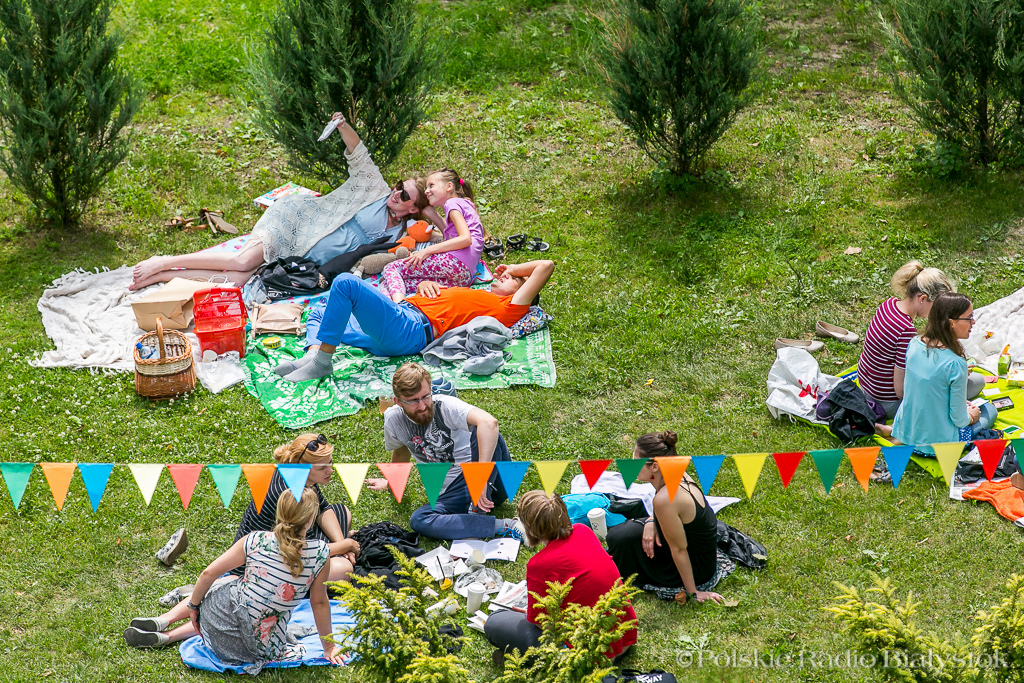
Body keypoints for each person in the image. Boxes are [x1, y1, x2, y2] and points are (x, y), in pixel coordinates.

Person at [129, 111, 442, 291]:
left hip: (304, 259)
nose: (395, 192)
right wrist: (343, 126)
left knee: (238, 280)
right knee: (242, 262)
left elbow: (447, 235)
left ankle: (164, 276)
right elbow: (358, 154)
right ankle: (164, 261)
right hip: (297, 223)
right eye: (398, 186)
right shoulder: (375, 188)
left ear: (413, 209)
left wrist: (430, 209)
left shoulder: (404, 233)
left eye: (404, 195)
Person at [123, 488, 344, 673]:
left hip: (219, 632)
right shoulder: (321, 553)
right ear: (310, 518)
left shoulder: (255, 540)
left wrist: (193, 606)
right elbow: (318, 602)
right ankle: (168, 636)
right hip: (259, 649)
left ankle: (164, 623)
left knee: (226, 583)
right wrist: (329, 648)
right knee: (242, 606)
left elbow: (207, 574)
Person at [274, 259, 554, 382]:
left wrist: (516, 268)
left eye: (515, 280)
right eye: (508, 274)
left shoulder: (509, 308)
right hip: (401, 321)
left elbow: (546, 266)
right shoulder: (479, 293)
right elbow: (443, 304)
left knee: (346, 283)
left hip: (409, 328)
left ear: (523, 294)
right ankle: (312, 357)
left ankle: (323, 363)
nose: (506, 275)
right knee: (321, 311)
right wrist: (425, 288)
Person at [363, 362, 523, 541]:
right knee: (419, 520)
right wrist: (391, 483)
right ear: (398, 402)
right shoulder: (394, 420)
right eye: (414, 401)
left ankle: (475, 512)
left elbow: (489, 423)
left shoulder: (445, 406)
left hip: (490, 482)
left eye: (426, 396)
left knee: (485, 432)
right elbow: (401, 453)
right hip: (455, 493)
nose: (423, 406)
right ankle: (503, 525)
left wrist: (481, 479)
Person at [484, 491, 637, 664]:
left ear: (530, 528)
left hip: (590, 655)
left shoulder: (538, 565)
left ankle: (529, 662)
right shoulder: (584, 531)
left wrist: (532, 615)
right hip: (623, 637)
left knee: (494, 623)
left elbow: (544, 626)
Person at [607, 431, 733, 604]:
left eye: (636, 461)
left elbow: (679, 549)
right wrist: (652, 520)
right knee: (622, 536)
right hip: (700, 550)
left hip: (696, 568)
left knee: (620, 539)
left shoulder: (665, 499)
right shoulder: (676, 473)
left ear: (654, 467)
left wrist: (693, 592)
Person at [231, 433, 359, 583]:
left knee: (343, 512)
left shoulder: (300, 475)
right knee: (343, 569)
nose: (330, 470)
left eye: (330, 463)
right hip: (264, 564)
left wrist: (341, 545)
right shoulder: (288, 495)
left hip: (296, 540)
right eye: (323, 467)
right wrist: (346, 545)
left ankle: (335, 552)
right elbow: (295, 548)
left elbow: (323, 508)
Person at [858, 261, 958, 425]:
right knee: (968, 384)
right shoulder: (906, 331)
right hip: (886, 403)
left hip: (865, 388)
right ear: (922, 299)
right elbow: (901, 391)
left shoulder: (888, 305)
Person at [891, 292, 997, 446]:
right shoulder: (956, 364)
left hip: (906, 433)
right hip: (937, 445)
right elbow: (959, 420)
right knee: (989, 409)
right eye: (969, 318)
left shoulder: (914, 343)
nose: (973, 322)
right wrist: (970, 416)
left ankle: (889, 429)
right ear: (951, 323)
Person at [380, 168, 486, 302]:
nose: (426, 191)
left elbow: (465, 239)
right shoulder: (466, 203)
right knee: (390, 283)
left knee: (391, 268)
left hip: (454, 263)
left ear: (449, 186)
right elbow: (453, 240)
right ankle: (389, 309)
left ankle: (399, 309)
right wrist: (432, 215)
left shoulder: (452, 204)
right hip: (464, 276)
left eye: (431, 185)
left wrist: (426, 251)